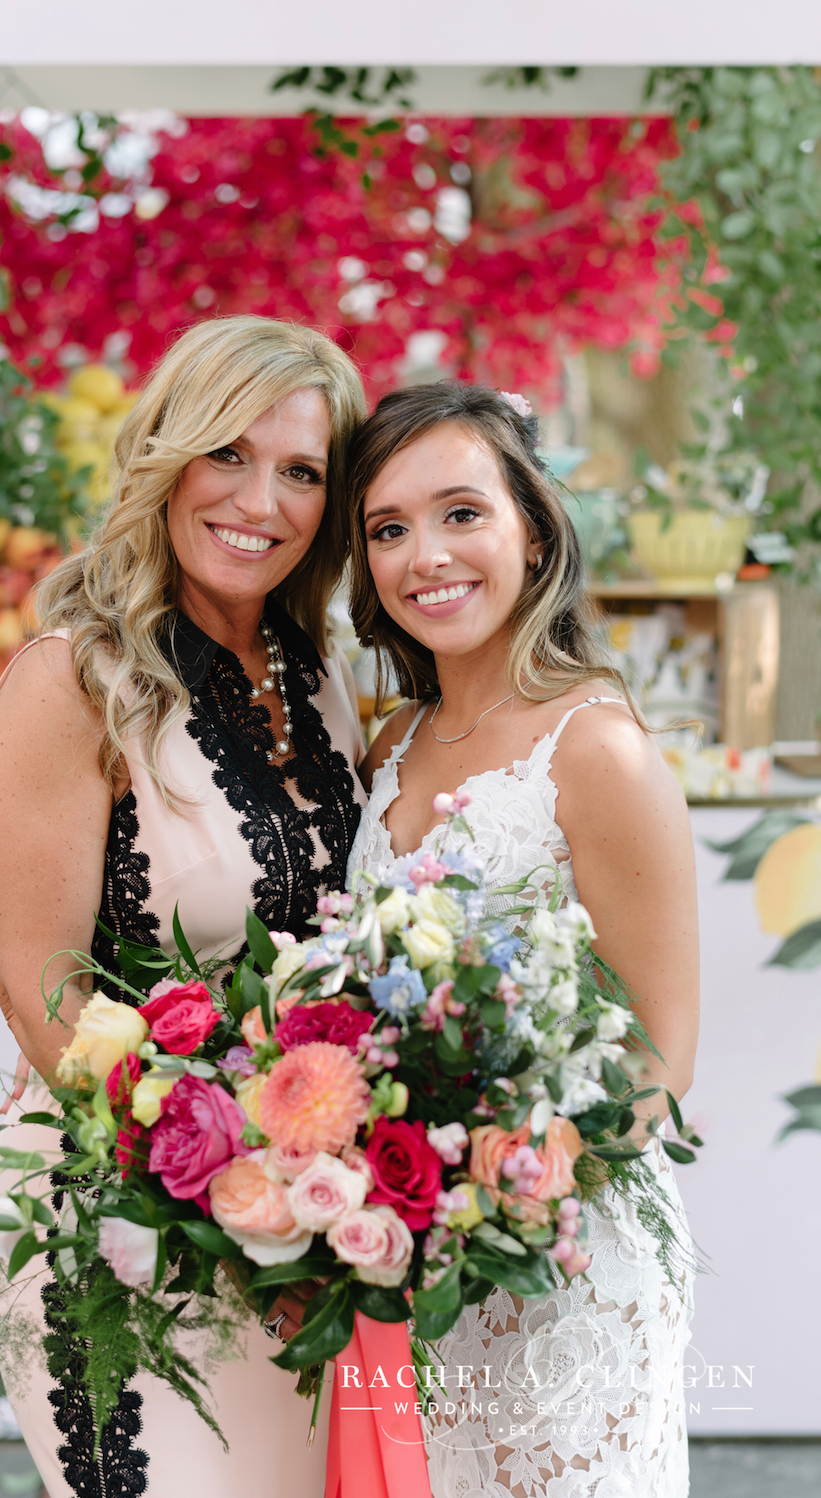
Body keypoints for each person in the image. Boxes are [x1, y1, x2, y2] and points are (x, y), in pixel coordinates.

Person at [0, 316, 368, 1498]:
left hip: (301, 1234)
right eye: (226, 453)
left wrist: (305, 1208)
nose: (260, 500)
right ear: (166, 455)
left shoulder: (324, 675)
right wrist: (226, 1197)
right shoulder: (71, 679)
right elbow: (42, 995)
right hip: (126, 1232)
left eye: (301, 471)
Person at [345, 382, 699, 1498]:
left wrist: (514, 1194)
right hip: (419, 1270)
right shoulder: (390, 743)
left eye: (461, 513)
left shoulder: (597, 751)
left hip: (562, 1264)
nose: (425, 556)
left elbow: (659, 1058)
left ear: (533, 531)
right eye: (388, 529)